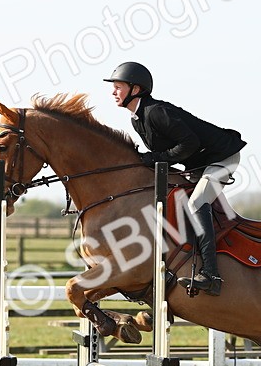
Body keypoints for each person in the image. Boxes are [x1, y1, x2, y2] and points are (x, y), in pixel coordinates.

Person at [104, 62, 246, 297]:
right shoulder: (137, 118)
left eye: (118, 87)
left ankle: (211, 275)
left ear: (135, 89)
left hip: (223, 157)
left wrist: (155, 158)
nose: (113, 92)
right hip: (198, 162)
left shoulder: (156, 112)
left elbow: (190, 144)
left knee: (197, 203)